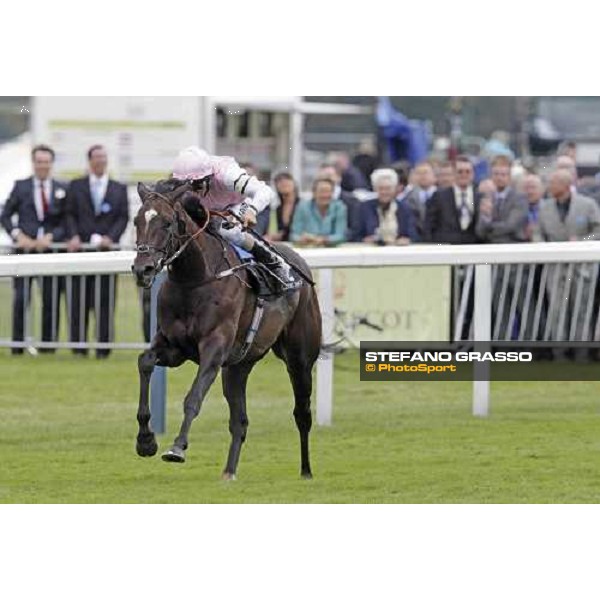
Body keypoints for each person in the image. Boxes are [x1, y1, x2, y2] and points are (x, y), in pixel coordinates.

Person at [170, 146, 300, 290]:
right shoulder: (185, 178)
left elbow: (265, 191)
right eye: (187, 185)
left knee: (228, 231)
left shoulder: (227, 175)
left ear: (208, 176)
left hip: (237, 204)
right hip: (208, 209)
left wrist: (252, 211)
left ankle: (276, 264)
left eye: (196, 184)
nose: (193, 190)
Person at [0, 144, 69, 354]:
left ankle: (48, 346)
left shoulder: (62, 188)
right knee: (21, 299)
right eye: (39, 162)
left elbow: (67, 220)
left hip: (50, 252)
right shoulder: (20, 186)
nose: (43, 166)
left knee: (50, 299)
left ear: (51, 163)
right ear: (33, 163)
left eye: (46, 162)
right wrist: (17, 235)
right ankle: (18, 346)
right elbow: (5, 215)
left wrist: (51, 237)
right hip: (23, 252)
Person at [65, 145, 129, 358]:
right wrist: (73, 235)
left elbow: (123, 217)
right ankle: (78, 347)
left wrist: (111, 238)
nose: (101, 161)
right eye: (97, 157)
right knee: (78, 301)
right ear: (90, 161)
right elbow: (69, 214)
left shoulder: (118, 188)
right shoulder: (76, 186)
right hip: (80, 254)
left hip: (106, 254)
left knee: (105, 302)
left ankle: (103, 347)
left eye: (104, 157)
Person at [539, 169, 600, 357]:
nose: (549, 187)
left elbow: (597, 231)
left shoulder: (587, 205)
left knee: (581, 312)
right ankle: (560, 355)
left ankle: (581, 354)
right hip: (555, 268)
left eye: (553, 183)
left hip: (582, 269)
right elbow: (537, 234)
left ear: (565, 185)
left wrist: (583, 241)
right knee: (557, 313)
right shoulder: (545, 207)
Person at [424, 156, 481, 244]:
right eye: (460, 171)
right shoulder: (439, 196)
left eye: (468, 171)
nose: (464, 175)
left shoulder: (479, 197)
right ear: (453, 173)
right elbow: (429, 226)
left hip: (474, 249)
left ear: (473, 174)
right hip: (446, 250)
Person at [353, 169, 416, 244]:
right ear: (375, 189)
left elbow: (413, 235)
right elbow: (355, 235)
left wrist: (406, 240)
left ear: (395, 189)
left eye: (388, 188)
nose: (384, 192)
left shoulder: (404, 208)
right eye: (381, 188)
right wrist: (364, 240)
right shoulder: (364, 207)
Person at [476, 156, 528, 244]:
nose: (499, 178)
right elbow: (479, 231)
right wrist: (486, 217)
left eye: (503, 175)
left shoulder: (520, 198)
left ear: (509, 177)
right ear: (490, 176)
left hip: (513, 245)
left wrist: (489, 227)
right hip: (489, 246)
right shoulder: (485, 197)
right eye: (496, 174)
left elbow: (511, 226)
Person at [290, 178, 347, 247]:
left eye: (328, 191)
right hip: (308, 250)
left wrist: (323, 239)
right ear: (314, 193)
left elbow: (341, 236)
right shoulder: (302, 207)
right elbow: (294, 235)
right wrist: (301, 239)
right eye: (322, 191)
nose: (325, 195)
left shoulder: (339, 207)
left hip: (332, 251)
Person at [404, 160, 437, 241]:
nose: (422, 176)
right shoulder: (407, 198)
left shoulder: (443, 196)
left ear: (434, 176)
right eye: (418, 173)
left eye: (425, 172)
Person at [266, 172, 300, 242]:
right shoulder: (277, 209)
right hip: (284, 246)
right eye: (279, 181)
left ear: (294, 184)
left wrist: (281, 235)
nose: (283, 182)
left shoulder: (302, 205)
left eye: (287, 179)